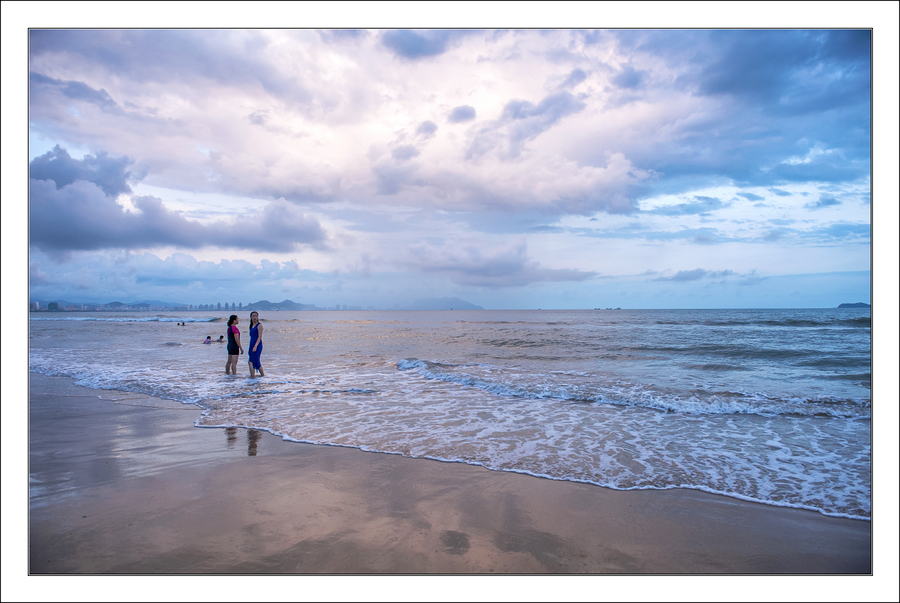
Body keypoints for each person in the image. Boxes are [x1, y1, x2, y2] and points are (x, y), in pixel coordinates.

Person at [248, 311, 265, 377]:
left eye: (256, 316)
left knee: (254, 361)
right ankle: (255, 376)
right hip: (251, 345)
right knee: (251, 361)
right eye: (253, 316)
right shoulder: (251, 326)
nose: (255, 317)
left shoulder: (259, 325)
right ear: (251, 317)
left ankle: (258, 376)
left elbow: (259, 337)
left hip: (257, 345)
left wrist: (255, 346)